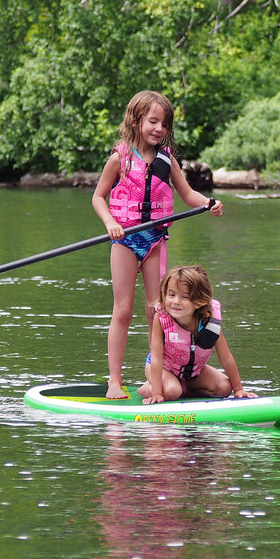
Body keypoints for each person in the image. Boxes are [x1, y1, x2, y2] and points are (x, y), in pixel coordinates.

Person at [92, 90, 223, 399]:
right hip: (125, 239)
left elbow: (188, 194)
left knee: (158, 310)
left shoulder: (167, 161)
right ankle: (114, 381)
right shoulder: (119, 159)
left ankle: (162, 375)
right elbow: (98, 197)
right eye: (153, 121)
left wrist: (208, 203)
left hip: (154, 239)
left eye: (164, 124)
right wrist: (110, 223)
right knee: (123, 311)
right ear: (135, 121)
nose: (159, 129)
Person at [138, 264, 257, 404]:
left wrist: (238, 390)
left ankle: (183, 390)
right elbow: (157, 358)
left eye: (185, 297)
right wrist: (157, 393)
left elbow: (226, 357)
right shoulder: (161, 318)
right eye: (171, 295)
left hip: (193, 373)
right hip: (162, 368)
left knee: (224, 388)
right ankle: (148, 388)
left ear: (199, 301)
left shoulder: (210, 322)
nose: (176, 301)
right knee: (172, 391)